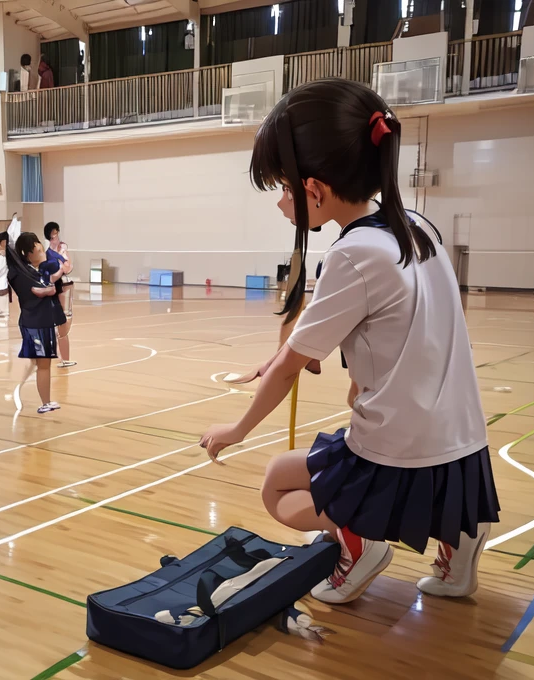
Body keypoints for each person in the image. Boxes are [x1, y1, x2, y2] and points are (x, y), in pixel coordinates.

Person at [199, 79, 499, 605]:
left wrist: (237, 428)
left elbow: (292, 366)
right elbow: (403, 323)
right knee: (308, 471)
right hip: (463, 442)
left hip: (400, 450)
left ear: (314, 188)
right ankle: (462, 535)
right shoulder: (415, 226)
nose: (282, 203)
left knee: (276, 487)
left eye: (284, 189)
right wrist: (354, 378)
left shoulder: (353, 253)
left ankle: (359, 546)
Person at [6, 217, 60, 413]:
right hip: (35, 322)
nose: (41, 251)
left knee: (42, 363)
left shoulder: (33, 272)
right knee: (43, 364)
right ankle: (45, 402)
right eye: (38, 249)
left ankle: (45, 400)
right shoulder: (23, 274)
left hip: (42, 320)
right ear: (28, 254)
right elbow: (42, 291)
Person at [43, 222, 76, 368]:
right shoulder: (48, 253)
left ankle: (63, 357)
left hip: (65, 286)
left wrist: (63, 262)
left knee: (66, 319)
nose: (56, 236)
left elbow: (69, 267)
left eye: (57, 233)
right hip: (55, 288)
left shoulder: (63, 248)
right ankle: (62, 358)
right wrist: (62, 267)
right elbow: (61, 269)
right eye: (54, 234)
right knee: (61, 322)